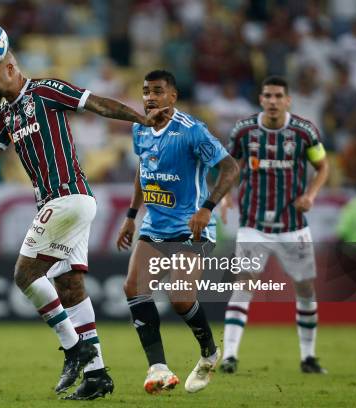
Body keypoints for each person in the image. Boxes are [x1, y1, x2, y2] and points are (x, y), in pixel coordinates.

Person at [0, 51, 168, 400]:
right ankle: (97, 375)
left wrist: (142, 120)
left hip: (68, 198)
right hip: (63, 204)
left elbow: (96, 104)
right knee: (69, 286)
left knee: (25, 275)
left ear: (10, 68)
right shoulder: (5, 114)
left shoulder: (46, 90)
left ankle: (73, 348)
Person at [116, 70, 239, 394]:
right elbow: (144, 170)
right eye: (145, 92)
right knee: (134, 288)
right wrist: (131, 216)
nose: (150, 98)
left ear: (173, 96)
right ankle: (158, 369)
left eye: (157, 91)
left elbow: (231, 168)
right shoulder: (139, 129)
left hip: (191, 226)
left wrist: (207, 207)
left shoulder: (192, 131)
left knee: (180, 296)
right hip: (154, 225)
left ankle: (210, 352)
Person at [220, 76, 330, 374]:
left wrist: (311, 194)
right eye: (267, 95)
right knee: (244, 285)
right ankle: (229, 356)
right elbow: (232, 165)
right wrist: (226, 196)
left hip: (293, 225)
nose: (272, 101)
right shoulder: (243, 130)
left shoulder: (304, 131)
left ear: (287, 100)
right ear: (260, 99)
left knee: (305, 289)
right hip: (253, 223)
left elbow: (323, 166)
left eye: (278, 96)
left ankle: (308, 357)